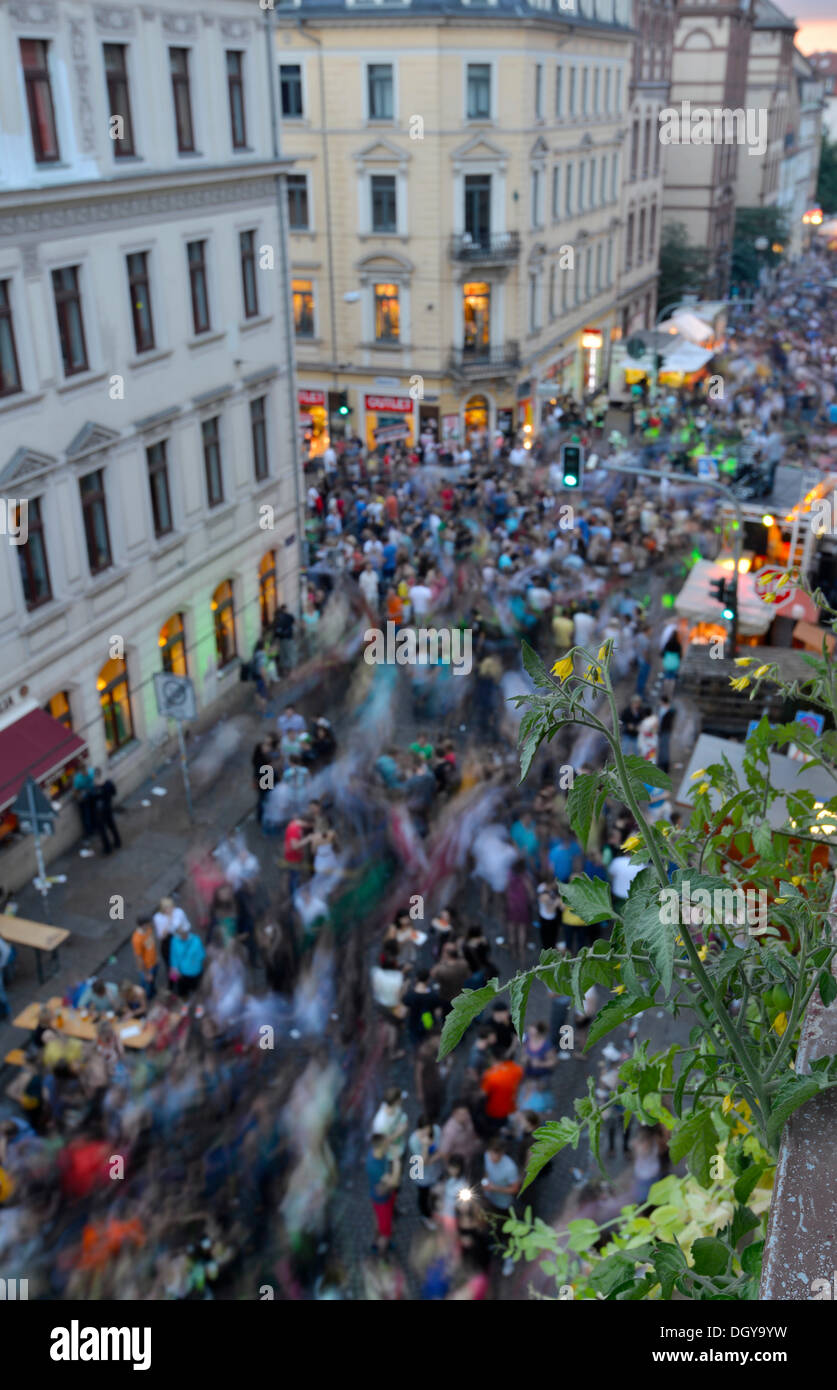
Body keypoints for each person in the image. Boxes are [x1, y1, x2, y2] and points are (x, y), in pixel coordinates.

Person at [407, 1115, 444, 1227]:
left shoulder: (437, 1130)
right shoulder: (413, 1141)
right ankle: (425, 1216)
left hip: (436, 1170)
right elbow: (422, 1161)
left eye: (428, 1131)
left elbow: (441, 1149)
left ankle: (436, 1211)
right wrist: (425, 1146)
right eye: (423, 1131)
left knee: (437, 1192)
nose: (426, 1134)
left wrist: (432, 1159)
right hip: (421, 1174)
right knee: (423, 1195)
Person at [367, 1133, 398, 1255]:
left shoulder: (375, 1152)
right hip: (382, 1201)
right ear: (381, 1147)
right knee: (385, 1233)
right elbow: (394, 1182)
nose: (388, 1145)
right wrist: (396, 1161)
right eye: (386, 1144)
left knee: (379, 1225)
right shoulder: (375, 1167)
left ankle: (375, 1244)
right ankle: (381, 1254)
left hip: (383, 1197)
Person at [479, 1051, 524, 1134]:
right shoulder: (515, 1068)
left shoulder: (490, 1075)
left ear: (493, 1059)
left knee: (494, 1128)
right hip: (510, 1107)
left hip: (494, 1110)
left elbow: (483, 1094)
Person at [152, 897, 190, 973]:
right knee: (170, 964)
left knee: (181, 960)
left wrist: (179, 929)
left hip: (179, 941)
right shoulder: (158, 917)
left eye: (172, 906)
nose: (171, 909)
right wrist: (169, 921)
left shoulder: (179, 912)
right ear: (163, 909)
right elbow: (162, 936)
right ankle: (172, 977)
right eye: (167, 908)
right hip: (167, 943)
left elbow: (187, 927)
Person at [168, 921, 205, 997]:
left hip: (192, 972)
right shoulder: (175, 941)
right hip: (184, 974)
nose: (181, 935)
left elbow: (201, 955)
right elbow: (173, 955)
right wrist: (175, 969)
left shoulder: (196, 940)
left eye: (183, 933)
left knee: (192, 991)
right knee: (186, 992)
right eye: (180, 933)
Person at [91, 768, 120, 854]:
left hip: (100, 811)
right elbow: (114, 792)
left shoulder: (96, 787)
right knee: (112, 826)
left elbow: (93, 798)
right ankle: (117, 842)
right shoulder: (108, 783)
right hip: (108, 807)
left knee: (102, 830)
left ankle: (107, 848)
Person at [131, 915, 158, 999]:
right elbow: (139, 958)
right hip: (147, 967)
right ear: (143, 925)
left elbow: (151, 945)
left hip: (154, 962)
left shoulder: (148, 929)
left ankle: (152, 991)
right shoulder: (137, 939)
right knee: (146, 984)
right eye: (148, 924)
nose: (150, 925)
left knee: (152, 981)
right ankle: (147, 997)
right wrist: (147, 974)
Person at [72, 760, 96, 842]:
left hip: (90, 796)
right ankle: (91, 830)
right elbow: (75, 791)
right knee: (88, 815)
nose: (84, 772)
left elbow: (75, 791)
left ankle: (92, 829)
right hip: (86, 798)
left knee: (90, 814)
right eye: (83, 770)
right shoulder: (79, 778)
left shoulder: (80, 777)